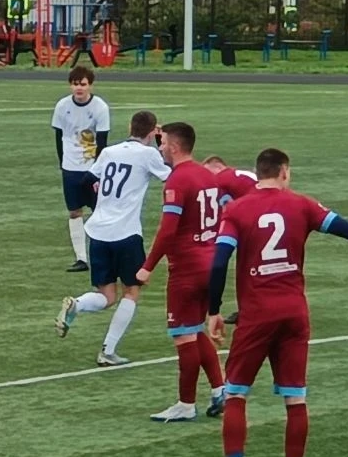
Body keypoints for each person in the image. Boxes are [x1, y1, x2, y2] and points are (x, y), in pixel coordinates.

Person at [206, 148, 348, 457]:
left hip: (257, 315)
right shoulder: (302, 205)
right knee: (295, 398)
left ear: (259, 173)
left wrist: (214, 310)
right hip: (294, 313)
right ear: (284, 172)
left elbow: (219, 263)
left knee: (235, 394)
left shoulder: (237, 210)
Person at [54, 111, 170, 366]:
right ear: (152, 132)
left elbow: (87, 180)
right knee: (132, 291)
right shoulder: (148, 154)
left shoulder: (109, 152)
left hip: (98, 231)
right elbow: (172, 176)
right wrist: (160, 145)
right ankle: (108, 350)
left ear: (130, 127)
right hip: (125, 233)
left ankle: (77, 304)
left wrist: (101, 202)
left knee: (106, 296)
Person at [136, 123, 225, 422]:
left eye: (162, 143)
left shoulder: (178, 180)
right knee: (195, 329)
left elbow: (168, 231)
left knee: (183, 336)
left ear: (174, 147)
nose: (160, 148)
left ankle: (186, 404)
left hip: (187, 269)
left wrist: (147, 267)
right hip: (211, 263)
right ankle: (220, 390)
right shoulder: (206, 175)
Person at [51, 65, 111, 272]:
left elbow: (102, 141)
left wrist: (98, 169)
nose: (79, 88)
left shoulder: (100, 107)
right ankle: (81, 258)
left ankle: (101, 256)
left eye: (83, 84)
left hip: (92, 168)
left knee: (99, 211)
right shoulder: (62, 106)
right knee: (74, 211)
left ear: (90, 85)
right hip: (70, 168)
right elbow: (59, 137)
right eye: (75, 84)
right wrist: (63, 163)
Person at [202, 156, 258, 325]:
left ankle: (249, 309)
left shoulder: (220, 179)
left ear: (218, 167)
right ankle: (248, 307)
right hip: (269, 212)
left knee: (244, 264)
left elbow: (226, 209)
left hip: (256, 217)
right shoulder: (241, 176)